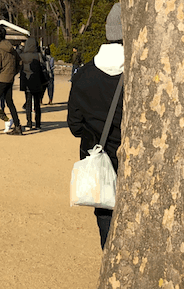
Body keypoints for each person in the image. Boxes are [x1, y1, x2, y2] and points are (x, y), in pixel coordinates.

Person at [68, 40, 124, 249]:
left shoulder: (83, 75)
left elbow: (75, 126)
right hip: (132, 158)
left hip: (99, 158)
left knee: (105, 214)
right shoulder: (141, 72)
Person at [19, 37, 48, 130]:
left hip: (27, 81)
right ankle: (38, 123)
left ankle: (29, 122)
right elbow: (44, 66)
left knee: (28, 103)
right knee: (37, 103)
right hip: (37, 81)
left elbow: (20, 68)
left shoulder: (22, 56)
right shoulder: (38, 55)